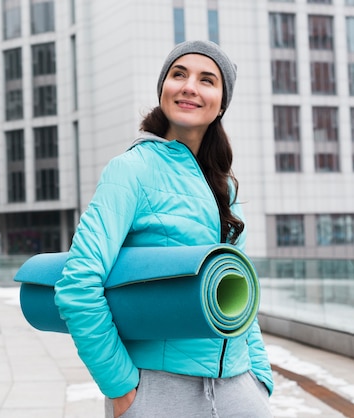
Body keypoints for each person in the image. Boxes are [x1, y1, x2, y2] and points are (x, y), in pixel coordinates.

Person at [54, 40, 274, 417]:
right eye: (178, 74)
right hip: (160, 387)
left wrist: (260, 376)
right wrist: (120, 386)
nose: (190, 86)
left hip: (239, 386)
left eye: (207, 80)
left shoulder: (225, 186)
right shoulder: (131, 171)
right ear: (163, 90)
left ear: (221, 103)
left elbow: (238, 292)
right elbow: (78, 285)